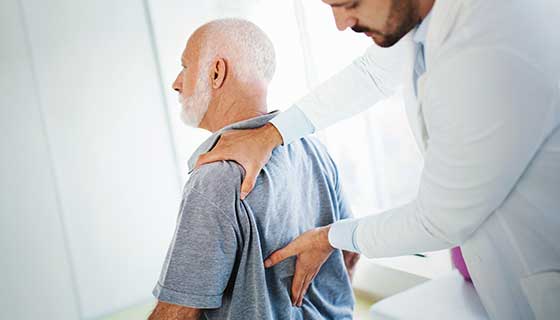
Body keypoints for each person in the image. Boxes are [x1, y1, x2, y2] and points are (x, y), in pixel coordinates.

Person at [195, 1, 560, 319]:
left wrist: (331, 237)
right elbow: (372, 73)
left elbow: (439, 220)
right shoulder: (425, 20)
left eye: (349, 3)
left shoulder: (492, 39)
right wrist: (271, 134)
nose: (341, 23)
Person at [148, 18, 359, 320]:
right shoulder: (313, 149)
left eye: (185, 66)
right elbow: (349, 254)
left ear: (216, 72)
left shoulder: (215, 177)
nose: (176, 83)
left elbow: (177, 314)